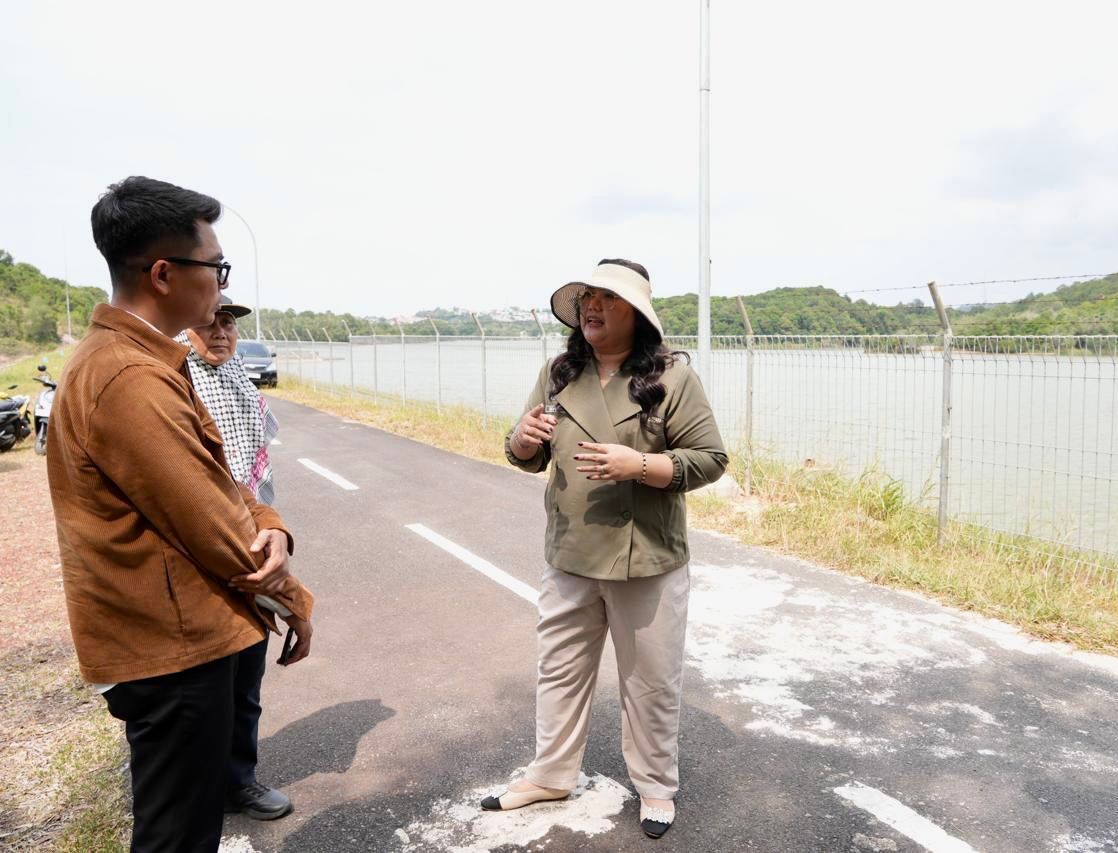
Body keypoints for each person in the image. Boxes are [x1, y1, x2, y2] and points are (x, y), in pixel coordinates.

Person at [46, 176, 315, 853]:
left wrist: (272, 522)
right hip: (173, 648)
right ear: (164, 274)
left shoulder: (143, 360)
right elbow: (216, 526)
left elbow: (221, 478)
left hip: (184, 638)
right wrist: (295, 600)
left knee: (187, 821)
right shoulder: (128, 377)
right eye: (216, 268)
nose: (221, 288)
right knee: (176, 835)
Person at [482, 259, 728, 840]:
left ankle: (655, 786)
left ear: (636, 314)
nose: (592, 306)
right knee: (559, 672)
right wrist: (521, 440)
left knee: (650, 681)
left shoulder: (671, 378)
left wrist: (638, 464)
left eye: (608, 298)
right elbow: (528, 452)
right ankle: (551, 774)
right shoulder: (558, 372)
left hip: (645, 558)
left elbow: (711, 459)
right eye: (587, 296)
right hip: (569, 552)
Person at [176, 297, 289, 819]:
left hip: (249, 534)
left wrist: (268, 528)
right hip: (200, 544)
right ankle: (191, 787)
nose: (221, 332)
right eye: (209, 323)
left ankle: (239, 781)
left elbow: (251, 468)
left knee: (247, 670)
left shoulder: (236, 378)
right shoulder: (175, 379)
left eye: (228, 324)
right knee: (199, 683)